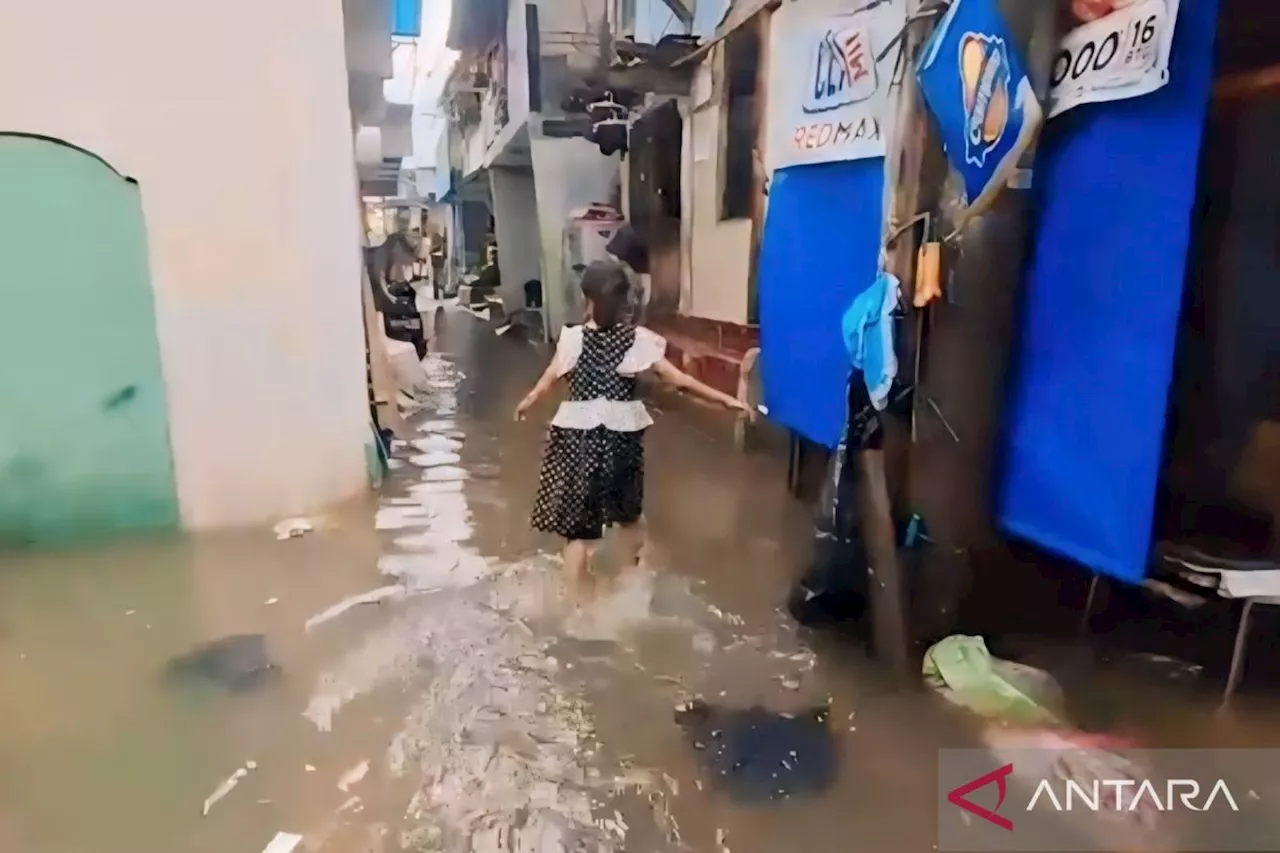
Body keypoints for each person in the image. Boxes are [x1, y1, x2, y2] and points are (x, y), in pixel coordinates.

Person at [515, 260, 749, 590]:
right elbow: (679, 381)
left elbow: (548, 379)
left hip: (577, 439)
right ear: (625, 302)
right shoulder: (636, 340)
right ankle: (630, 587)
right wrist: (724, 399)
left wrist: (528, 402)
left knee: (579, 533)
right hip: (619, 441)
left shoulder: (572, 339)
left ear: (588, 301)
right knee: (630, 520)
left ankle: (577, 606)